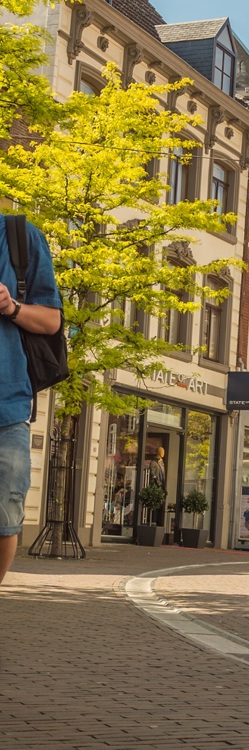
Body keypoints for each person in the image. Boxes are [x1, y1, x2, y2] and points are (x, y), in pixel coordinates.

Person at [0, 215, 63, 585]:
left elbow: (52, 321)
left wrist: (12, 307)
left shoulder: (21, 238)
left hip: (6, 408)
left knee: (5, 518)